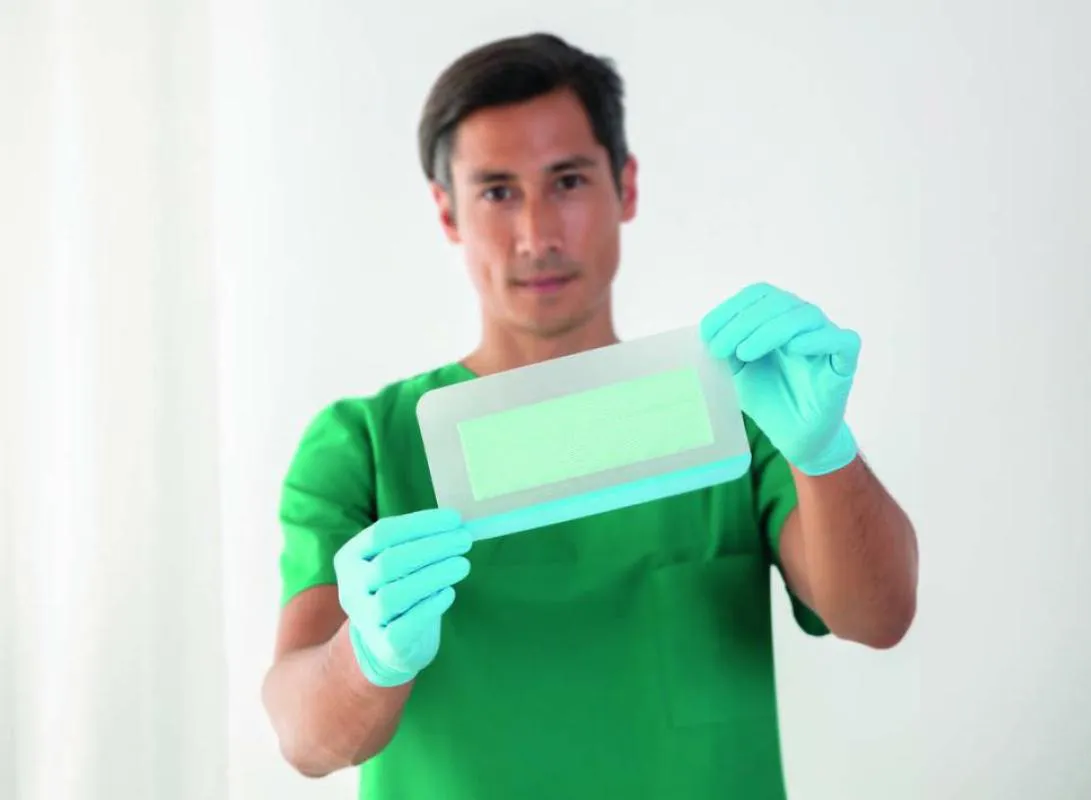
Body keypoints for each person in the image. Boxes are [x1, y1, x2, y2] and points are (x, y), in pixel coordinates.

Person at [262, 31, 919, 800]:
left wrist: (823, 453)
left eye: (567, 181)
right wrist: (365, 659)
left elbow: (877, 616)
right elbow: (305, 739)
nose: (537, 235)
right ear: (447, 211)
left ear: (625, 186)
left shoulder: (736, 412)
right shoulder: (364, 445)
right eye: (496, 191)